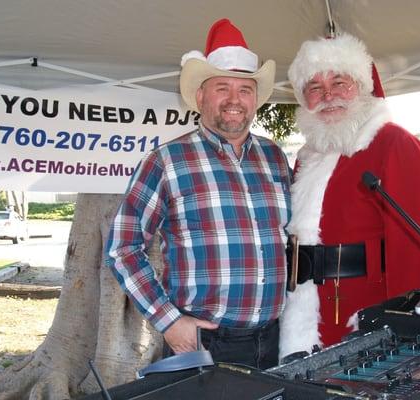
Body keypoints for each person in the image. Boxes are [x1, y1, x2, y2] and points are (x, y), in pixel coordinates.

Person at [105, 18, 291, 370]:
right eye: (223, 88)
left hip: (274, 340)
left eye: (245, 90)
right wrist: (168, 321)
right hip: (203, 341)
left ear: (256, 100)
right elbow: (123, 247)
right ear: (201, 96)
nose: (235, 100)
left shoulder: (275, 157)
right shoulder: (166, 161)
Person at [279, 33, 420, 360]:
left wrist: (409, 337)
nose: (328, 96)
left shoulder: (396, 146)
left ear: (363, 87)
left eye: (340, 82)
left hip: (369, 332)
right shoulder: (307, 157)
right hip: (305, 324)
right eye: (314, 88)